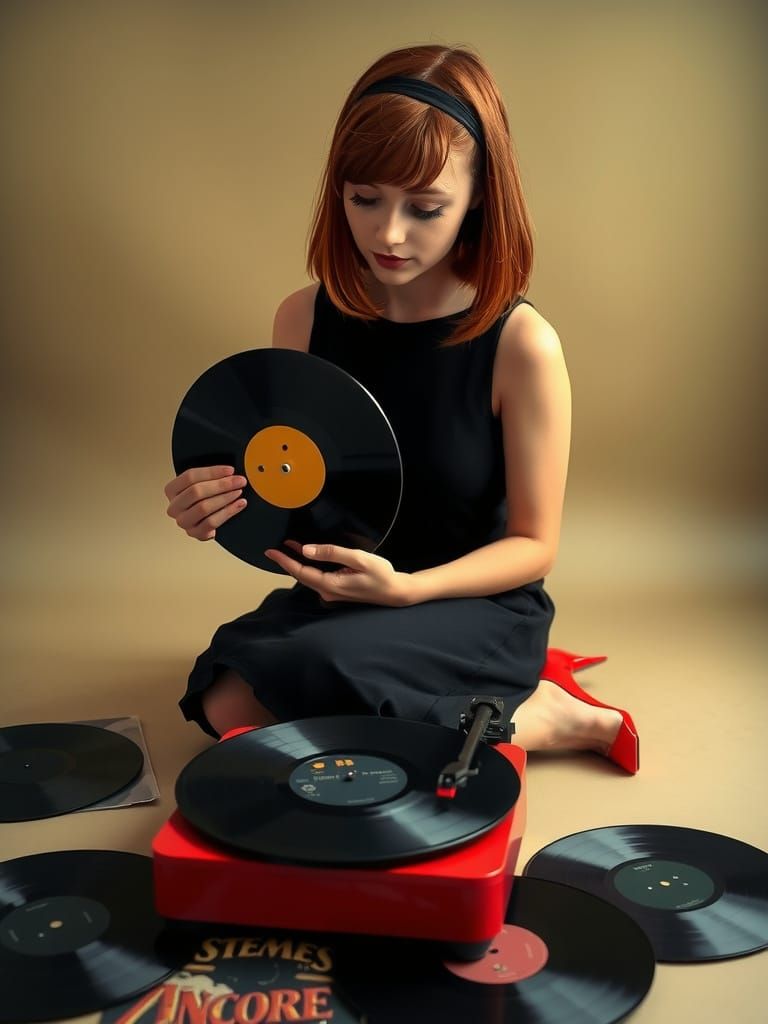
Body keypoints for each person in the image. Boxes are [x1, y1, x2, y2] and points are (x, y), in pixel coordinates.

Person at [164, 44, 636, 770]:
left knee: (300, 689)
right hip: (351, 594)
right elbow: (303, 492)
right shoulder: (302, 320)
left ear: (479, 195)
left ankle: (553, 716)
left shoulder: (522, 344)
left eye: (425, 208)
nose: (388, 234)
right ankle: (482, 707)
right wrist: (225, 504)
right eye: (364, 199)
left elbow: (534, 546)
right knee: (228, 699)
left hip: (473, 601)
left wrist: (409, 590)